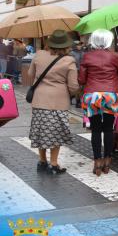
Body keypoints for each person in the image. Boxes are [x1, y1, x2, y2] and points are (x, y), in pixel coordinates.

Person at [28, 30, 80, 175]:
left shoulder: (39, 54)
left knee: (41, 131)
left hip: (39, 100)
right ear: (66, 45)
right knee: (55, 132)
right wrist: (71, 94)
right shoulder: (69, 61)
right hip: (58, 101)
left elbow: (30, 75)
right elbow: (73, 86)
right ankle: (54, 163)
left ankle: (42, 161)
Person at [78, 30, 118, 176]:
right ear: (108, 41)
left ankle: (97, 162)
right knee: (108, 129)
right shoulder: (115, 56)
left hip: (92, 95)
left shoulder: (87, 57)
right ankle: (107, 162)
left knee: (95, 129)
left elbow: (81, 79)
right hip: (110, 95)